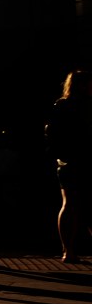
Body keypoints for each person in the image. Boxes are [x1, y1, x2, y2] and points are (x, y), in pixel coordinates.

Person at [47, 69, 92, 263]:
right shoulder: (87, 106)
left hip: (68, 161)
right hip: (84, 160)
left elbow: (51, 134)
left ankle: (68, 250)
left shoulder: (61, 106)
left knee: (70, 204)